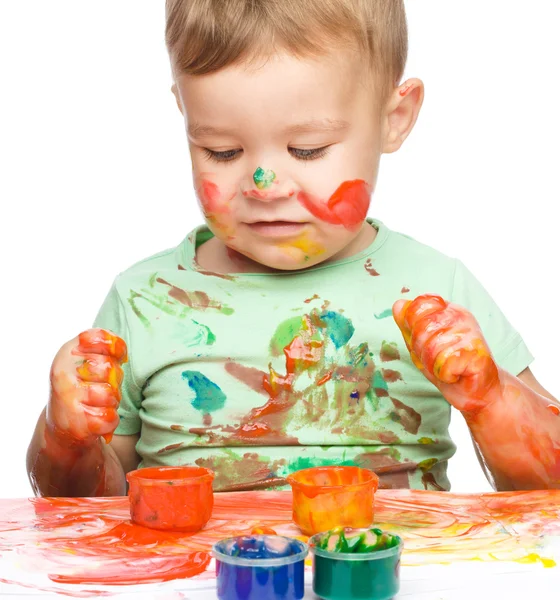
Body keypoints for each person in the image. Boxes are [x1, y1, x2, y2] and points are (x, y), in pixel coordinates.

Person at [27, 0, 559, 497]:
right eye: (222, 149)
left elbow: (548, 488)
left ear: (393, 119)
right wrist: (65, 437)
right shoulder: (144, 300)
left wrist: (491, 399)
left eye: (308, 149)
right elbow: (80, 505)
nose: (264, 183)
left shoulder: (435, 289)